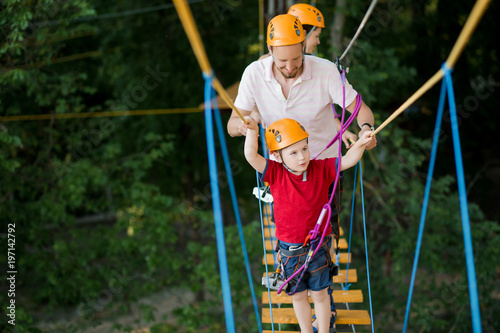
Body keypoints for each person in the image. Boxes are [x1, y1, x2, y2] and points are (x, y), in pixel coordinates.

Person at [228, 13, 377, 331]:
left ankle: (324, 295)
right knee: (291, 227)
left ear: (303, 46)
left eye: (297, 58)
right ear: (269, 50)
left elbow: (361, 110)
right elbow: (232, 125)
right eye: (283, 61)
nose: (291, 66)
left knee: (326, 230)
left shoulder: (324, 71)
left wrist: (366, 130)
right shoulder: (254, 75)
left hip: (324, 164)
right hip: (281, 169)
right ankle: (293, 272)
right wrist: (245, 126)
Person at [243, 117, 373, 333]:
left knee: (321, 294)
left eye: (304, 148)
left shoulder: (321, 168)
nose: (302, 157)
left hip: (319, 248)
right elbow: (250, 155)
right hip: (290, 252)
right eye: (293, 153)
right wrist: (251, 132)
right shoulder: (275, 173)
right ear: (277, 155)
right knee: (299, 296)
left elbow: (348, 160)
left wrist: (360, 144)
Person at [257, 3, 358, 147]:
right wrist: (254, 116)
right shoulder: (263, 66)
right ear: (303, 34)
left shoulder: (316, 68)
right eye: (316, 36)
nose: (318, 41)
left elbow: (319, 107)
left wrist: (342, 130)